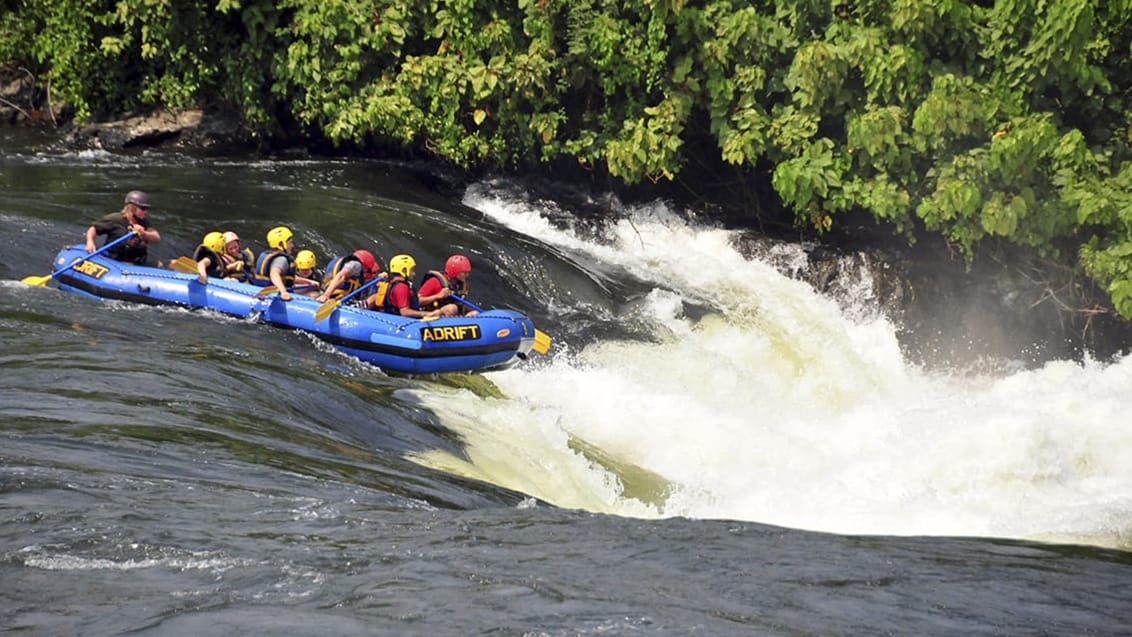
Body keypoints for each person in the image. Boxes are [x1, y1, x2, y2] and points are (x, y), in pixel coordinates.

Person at [84, 190, 160, 265]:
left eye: (147, 209)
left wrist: (144, 234)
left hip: (137, 263)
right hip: (114, 261)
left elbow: (156, 237)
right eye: (142, 208)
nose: (145, 212)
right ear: (131, 207)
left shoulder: (144, 222)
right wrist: (90, 241)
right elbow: (93, 229)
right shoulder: (115, 219)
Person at [371, 254, 441, 318]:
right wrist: (427, 314)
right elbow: (405, 312)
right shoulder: (401, 287)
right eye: (412, 270)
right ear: (404, 270)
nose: (414, 274)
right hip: (404, 322)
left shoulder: (393, 283)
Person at [250, 225, 300, 301]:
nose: (292, 246)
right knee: (314, 294)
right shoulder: (282, 259)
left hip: (259, 288)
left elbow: (289, 278)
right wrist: (283, 292)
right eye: (290, 243)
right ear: (281, 245)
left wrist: (310, 282)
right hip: (273, 294)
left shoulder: (269, 255)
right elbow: (274, 274)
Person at [316, 249, 384, 304]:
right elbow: (341, 276)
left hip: (327, 292)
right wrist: (326, 295)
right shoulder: (356, 265)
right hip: (336, 298)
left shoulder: (342, 260)